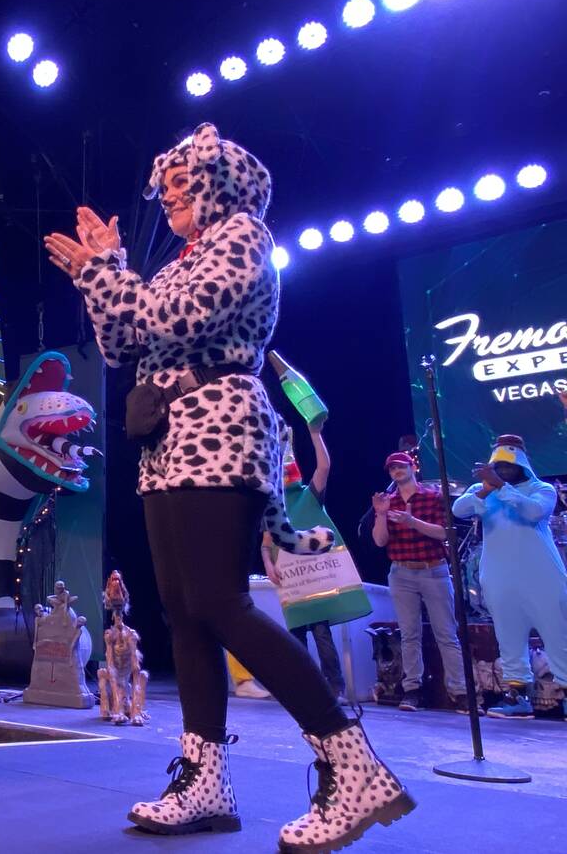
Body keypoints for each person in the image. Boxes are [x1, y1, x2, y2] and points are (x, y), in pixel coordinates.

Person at [46, 123, 411, 850]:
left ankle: (354, 765)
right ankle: (204, 781)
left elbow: (170, 318)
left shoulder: (243, 237)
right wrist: (105, 269)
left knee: (219, 602)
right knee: (184, 614)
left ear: (222, 185)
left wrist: (103, 271)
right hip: (167, 441)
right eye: (166, 184)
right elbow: (123, 343)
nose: (169, 194)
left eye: (183, 181)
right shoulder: (183, 258)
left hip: (219, 426)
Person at [452, 435, 567, 718]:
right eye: (498, 466)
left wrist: (502, 487)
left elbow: (534, 512)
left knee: (558, 636)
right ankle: (518, 698)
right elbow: (458, 510)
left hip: (542, 576)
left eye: (507, 465)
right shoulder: (483, 490)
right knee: (509, 637)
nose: (502, 470)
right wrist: (486, 489)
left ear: (521, 464)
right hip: (499, 577)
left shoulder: (541, 489)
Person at [372, 451, 470, 713]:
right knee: (409, 634)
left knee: (446, 633)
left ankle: (460, 692)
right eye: (392, 468)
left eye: (401, 466)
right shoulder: (388, 501)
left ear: (412, 467)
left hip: (433, 570)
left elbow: (444, 533)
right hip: (401, 573)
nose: (396, 471)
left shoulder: (433, 496)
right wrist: (381, 514)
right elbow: (380, 541)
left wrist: (411, 521)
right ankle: (413, 690)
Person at [262, 423, 349, 704]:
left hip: (314, 581)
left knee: (322, 634)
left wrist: (315, 434)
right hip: (290, 581)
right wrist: (268, 564)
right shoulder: (274, 505)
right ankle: (302, 688)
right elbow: (266, 543)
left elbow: (323, 468)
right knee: (295, 636)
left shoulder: (309, 496)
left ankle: (334, 689)